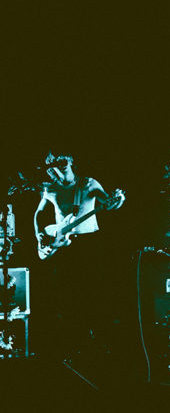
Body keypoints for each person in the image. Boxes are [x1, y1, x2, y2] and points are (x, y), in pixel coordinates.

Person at [33, 151, 125, 361]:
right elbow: (39, 213)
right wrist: (39, 234)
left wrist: (118, 200)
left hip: (89, 245)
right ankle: (71, 346)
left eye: (64, 161)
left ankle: (95, 347)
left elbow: (110, 203)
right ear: (50, 169)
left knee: (93, 294)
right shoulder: (50, 189)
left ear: (71, 161)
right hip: (63, 247)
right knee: (66, 297)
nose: (61, 166)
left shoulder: (88, 184)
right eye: (56, 163)